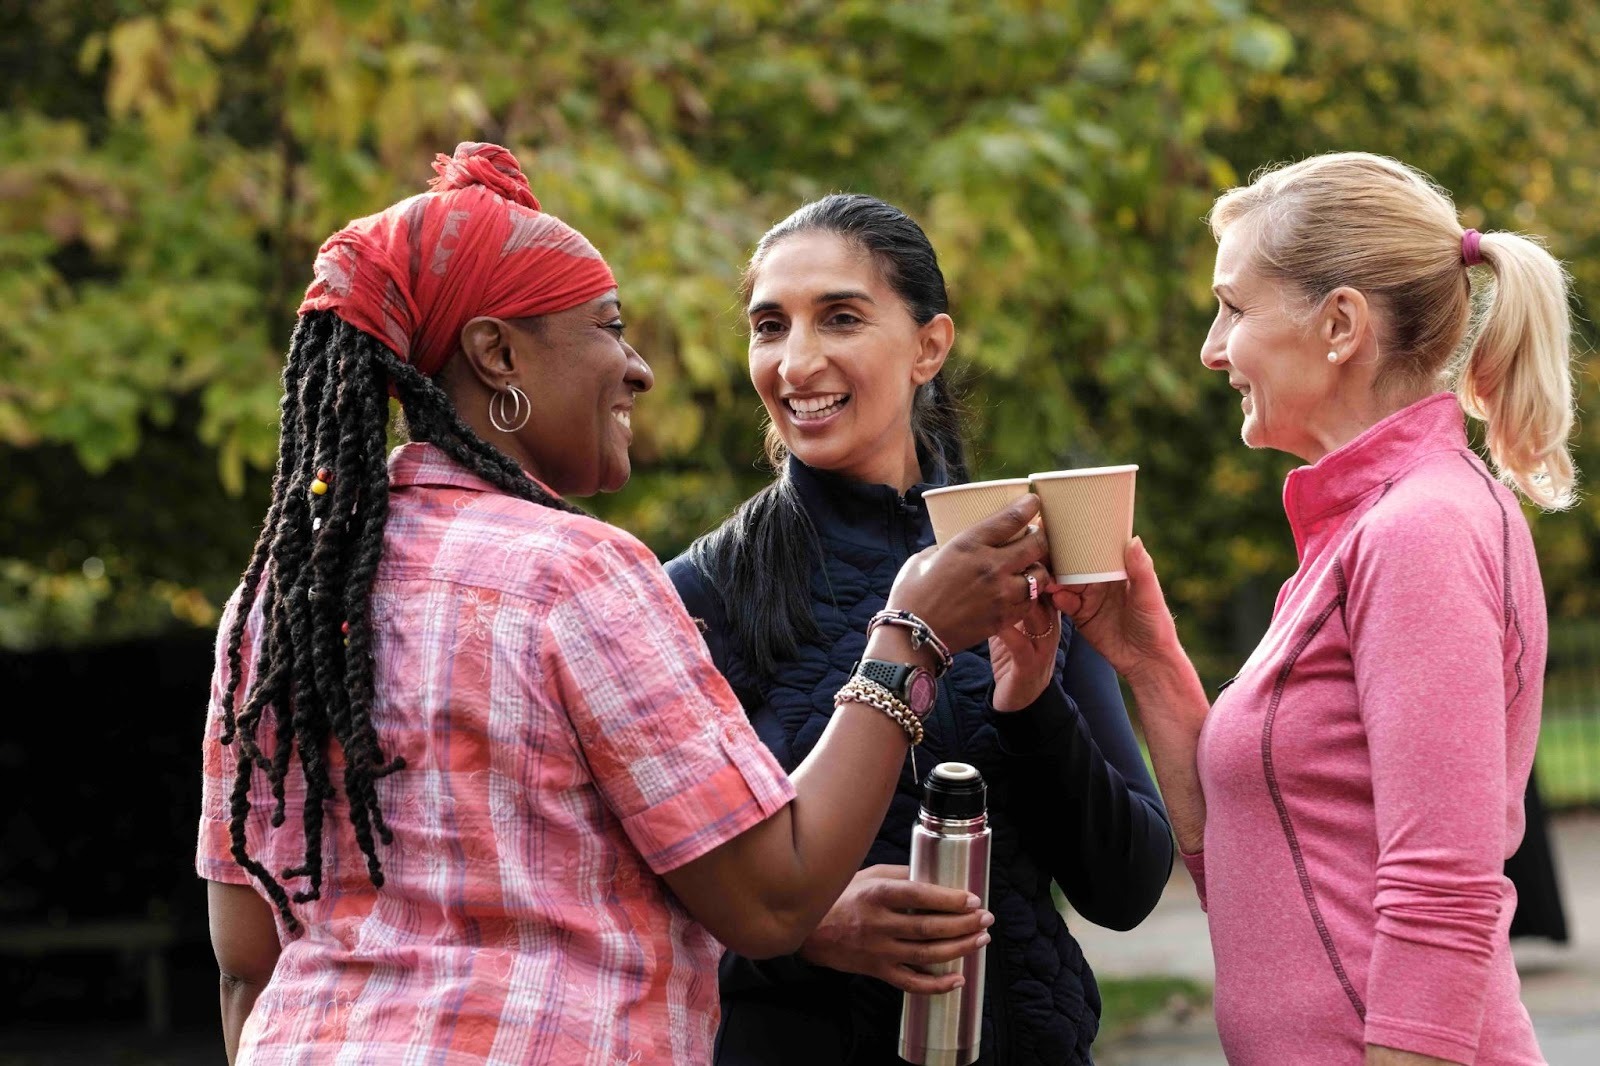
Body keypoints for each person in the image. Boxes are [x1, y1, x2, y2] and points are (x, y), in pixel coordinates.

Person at [195, 144, 1053, 1065]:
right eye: (607, 327)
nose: (637, 368)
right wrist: (910, 639)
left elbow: (249, 960)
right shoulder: (575, 576)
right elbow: (773, 896)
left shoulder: (277, 601)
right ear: (498, 354)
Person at [1051, 152, 1576, 1065]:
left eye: (1234, 308)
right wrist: (1147, 658)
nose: (1213, 348)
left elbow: (1442, 895)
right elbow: (1254, 868)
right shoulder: (1361, 527)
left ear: (1340, 325)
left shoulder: (1420, 529)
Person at [666, 194, 1173, 1065]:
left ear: (929, 346)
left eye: (841, 318)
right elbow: (628, 898)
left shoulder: (1032, 554)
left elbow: (1125, 887)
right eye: (769, 325)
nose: (797, 361)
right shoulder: (698, 592)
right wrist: (801, 930)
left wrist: (1031, 702)